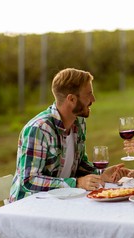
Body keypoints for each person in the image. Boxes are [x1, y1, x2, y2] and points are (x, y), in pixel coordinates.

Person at [10, 68, 123, 202]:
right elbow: (29, 180)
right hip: (30, 206)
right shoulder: (39, 129)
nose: (93, 99)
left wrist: (100, 174)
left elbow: (79, 164)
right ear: (71, 99)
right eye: (89, 94)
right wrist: (76, 183)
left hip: (62, 200)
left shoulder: (78, 122)